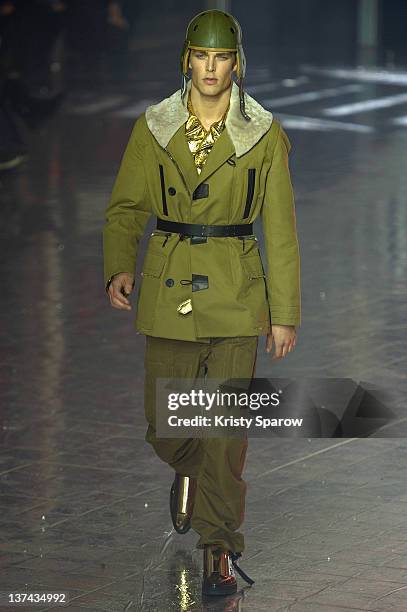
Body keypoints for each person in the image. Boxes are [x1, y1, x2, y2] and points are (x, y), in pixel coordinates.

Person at [103, 9, 301, 597]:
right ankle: (190, 470)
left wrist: (283, 313)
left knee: (225, 429)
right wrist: (119, 264)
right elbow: (127, 206)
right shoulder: (155, 126)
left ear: (237, 64)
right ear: (186, 59)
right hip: (168, 285)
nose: (210, 69)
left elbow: (281, 229)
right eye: (201, 57)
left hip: (238, 294)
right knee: (168, 425)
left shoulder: (263, 134)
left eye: (221, 58)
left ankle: (220, 547)